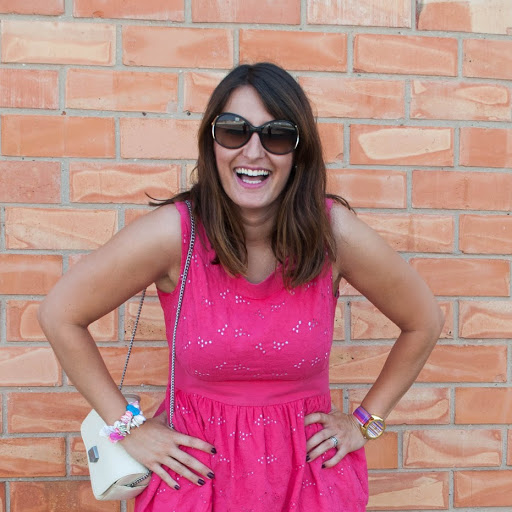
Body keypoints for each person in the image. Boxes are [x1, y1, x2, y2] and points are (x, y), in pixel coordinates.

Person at [39, 62, 444, 511]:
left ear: (299, 152)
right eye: (234, 131)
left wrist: (365, 422)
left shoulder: (332, 235)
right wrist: (127, 427)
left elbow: (424, 321)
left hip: (308, 482)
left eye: (276, 135)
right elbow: (60, 314)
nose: (253, 151)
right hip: (196, 480)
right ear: (212, 143)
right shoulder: (175, 235)